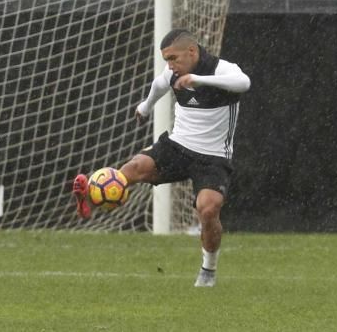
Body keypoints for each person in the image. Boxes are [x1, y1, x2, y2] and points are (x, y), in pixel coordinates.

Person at [73, 29, 250, 287]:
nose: (170, 65)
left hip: (213, 157)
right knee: (134, 168)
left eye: (173, 58)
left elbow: (244, 83)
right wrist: (145, 106)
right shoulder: (173, 73)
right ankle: (90, 195)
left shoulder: (222, 69)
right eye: (166, 59)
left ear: (192, 51)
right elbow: (158, 84)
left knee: (208, 209)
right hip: (177, 146)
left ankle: (208, 270)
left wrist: (200, 80)